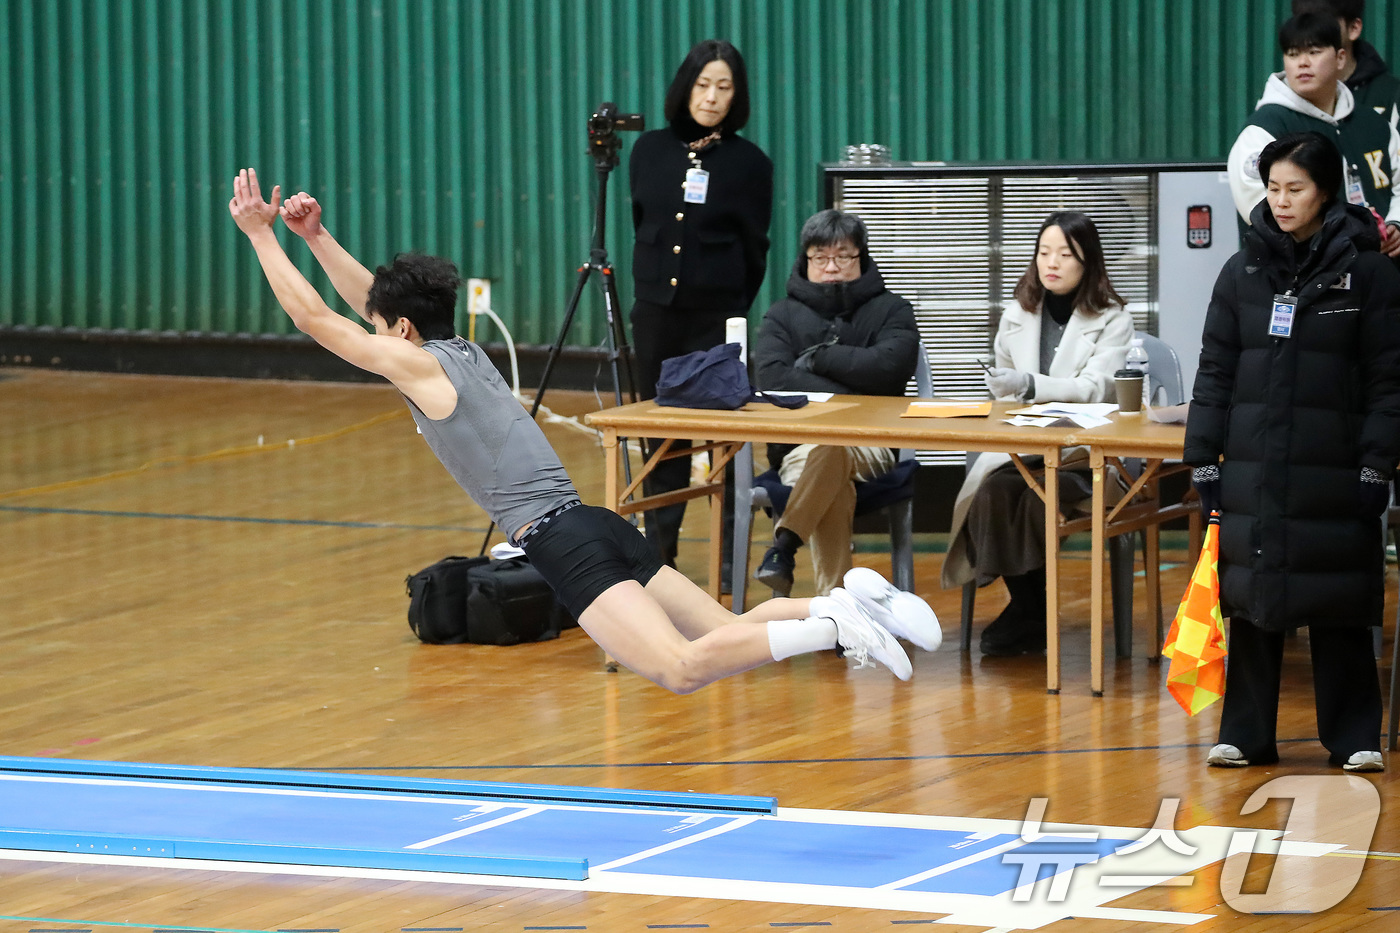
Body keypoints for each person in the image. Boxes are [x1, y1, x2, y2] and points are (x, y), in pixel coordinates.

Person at [225, 169, 938, 694]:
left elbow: (319, 319)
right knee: (722, 628)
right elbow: (368, 301)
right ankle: (846, 600)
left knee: (681, 667)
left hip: (560, 541)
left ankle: (838, 628)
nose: (372, 329)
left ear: (402, 330)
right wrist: (316, 236)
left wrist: (262, 237)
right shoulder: (460, 351)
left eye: (382, 326)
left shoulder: (418, 366)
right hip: (598, 523)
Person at [1186, 132, 1400, 773]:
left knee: (1338, 595)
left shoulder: (1369, 273)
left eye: (1295, 189)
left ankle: (1354, 734)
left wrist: (1377, 462)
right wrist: (1203, 453)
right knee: (1252, 598)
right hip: (1254, 463)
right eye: (1273, 188)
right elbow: (1215, 370)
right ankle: (1245, 734)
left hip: (1335, 462)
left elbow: (1390, 379)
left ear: (1326, 190)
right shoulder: (1242, 270)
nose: (1281, 201)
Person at [941, 212, 1133, 657]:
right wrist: (1004, 387)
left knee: (1034, 498)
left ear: (1088, 262)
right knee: (992, 493)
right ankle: (1031, 607)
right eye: (1044, 252)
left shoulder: (1113, 318)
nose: (1052, 263)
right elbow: (1007, 392)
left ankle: (1029, 612)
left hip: (1087, 455)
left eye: (1066, 254)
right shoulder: (1018, 312)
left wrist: (1030, 385)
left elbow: (1096, 389)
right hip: (1024, 448)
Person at [628, 39, 774, 574]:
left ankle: (730, 569)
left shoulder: (750, 163)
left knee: (727, 450)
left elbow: (756, 249)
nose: (711, 97)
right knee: (662, 443)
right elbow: (645, 224)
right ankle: (657, 565)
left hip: (716, 321)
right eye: (703, 84)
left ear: (737, 96)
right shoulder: (648, 150)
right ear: (686, 86)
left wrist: (728, 308)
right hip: (657, 317)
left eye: (724, 87)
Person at [750, 210, 925, 607]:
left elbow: (891, 366)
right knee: (832, 462)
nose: (831, 267)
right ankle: (842, 617)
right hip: (798, 448)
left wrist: (818, 359)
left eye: (843, 256)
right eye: (820, 257)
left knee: (834, 450)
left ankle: (784, 546)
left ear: (861, 258)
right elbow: (774, 379)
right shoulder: (782, 314)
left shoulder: (893, 310)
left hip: (875, 445)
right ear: (805, 261)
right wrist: (857, 387)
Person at [1227, 11, 1400, 260]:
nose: (1302, 63)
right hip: (1296, 283)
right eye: (1293, 54)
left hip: (1376, 280)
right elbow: (1262, 213)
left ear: (1340, 58)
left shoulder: (1374, 125)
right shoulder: (1265, 129)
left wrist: (1396, 224)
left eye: (1314, 52)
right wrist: (1349, 240)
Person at [1292, 0, 1400, 127]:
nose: (1313, 32)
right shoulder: (1281, 98)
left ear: (1354, 28)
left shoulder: (1391, 95)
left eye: (1325, 24)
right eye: (1305, 24)